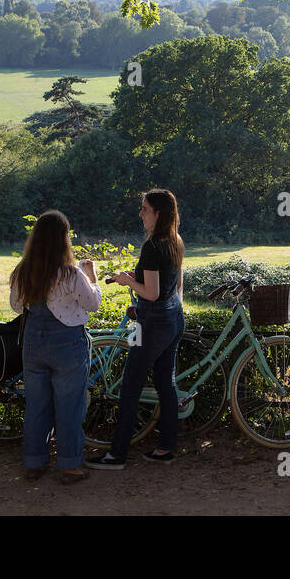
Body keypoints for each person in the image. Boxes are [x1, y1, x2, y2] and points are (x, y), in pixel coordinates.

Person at [89, 188, 185, 469]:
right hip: (173, 319)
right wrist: (138, 276)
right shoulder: (175, 241)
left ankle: (116, 455)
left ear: (158, 213)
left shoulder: (153, 246)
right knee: (166, 385)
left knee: (130, 387)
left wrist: (125, 280)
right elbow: (172, 284)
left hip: (152, 323)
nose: (140, 213)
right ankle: (166, 447)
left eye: (144, 208)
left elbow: (151, 294)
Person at [10, 209, 100, 484]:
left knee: (36, 405)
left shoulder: (23, 271)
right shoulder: (71, 274)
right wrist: (92, 275)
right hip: (67, 345)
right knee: (69, 407)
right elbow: (93, 304)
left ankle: (35, 463)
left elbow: (16, 305)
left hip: (34, 343)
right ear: (64, 240)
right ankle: (69, 465)